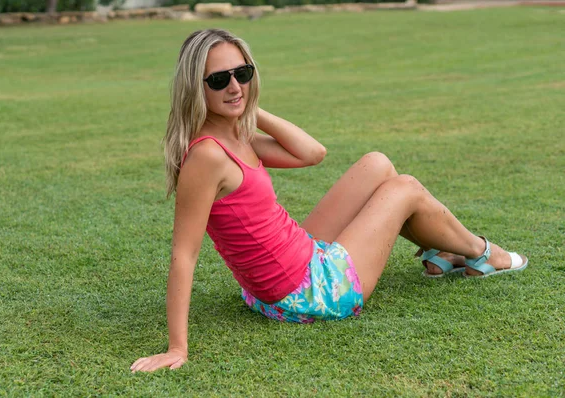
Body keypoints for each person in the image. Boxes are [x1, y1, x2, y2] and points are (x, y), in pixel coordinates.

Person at [130, 29, 527, 372]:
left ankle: (442, 254)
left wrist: (247, 108)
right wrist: (176, 347)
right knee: (403, 188)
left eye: (243, 74)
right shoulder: (208, 156)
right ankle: (480, 252)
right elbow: (184, 254)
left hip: (295, 259)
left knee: (377, 164)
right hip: (307, 291)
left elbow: (312, 153)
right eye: (218, 80)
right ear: (194, 87)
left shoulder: (235, 136)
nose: (234, 86)